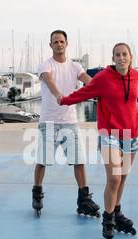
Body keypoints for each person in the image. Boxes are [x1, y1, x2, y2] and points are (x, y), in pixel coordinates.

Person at [59, 43, 138, 239]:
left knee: (122, 177)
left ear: (130, 57)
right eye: (117, 55)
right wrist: (64, 100)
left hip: (131, 133)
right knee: (113, 177)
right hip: (109, 133)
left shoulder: (136, 76)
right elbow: (84, 93)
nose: (121, 58)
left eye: (125, 54)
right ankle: (108, 219)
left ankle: (117, 212)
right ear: (113, 58)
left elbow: (131, 103)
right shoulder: (104, 78)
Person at [32, 30, 100, 218]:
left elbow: (89, 82)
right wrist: (59, 96)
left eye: (62, 41)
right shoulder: (45, 65)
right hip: (49, 121)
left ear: (67, 44)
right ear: (50, 45)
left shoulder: (75, 66)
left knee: (79, 161)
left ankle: (84, 198)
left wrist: (101, 89)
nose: (59, 44)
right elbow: (50, 81)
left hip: (69, 121)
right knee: (43, 160)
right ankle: (37, 193)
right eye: (55, 42)